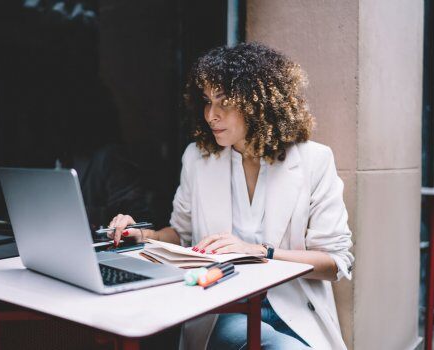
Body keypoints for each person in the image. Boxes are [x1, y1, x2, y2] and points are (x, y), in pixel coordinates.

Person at [107, 42, 354, 349]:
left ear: (259, 104)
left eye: (224, 103)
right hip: (225, 305)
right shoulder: (198, 159)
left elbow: (334, 263)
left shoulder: (314, 160)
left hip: (295, 309)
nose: (211, 115)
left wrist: (260, 251)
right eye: (207, 102)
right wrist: (144, 236)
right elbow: (182, 235)